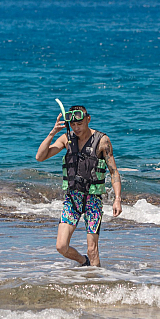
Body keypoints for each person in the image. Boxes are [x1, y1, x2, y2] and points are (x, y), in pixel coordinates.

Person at [36, 105, 122, 267]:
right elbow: (40, 157)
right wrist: (52, 133)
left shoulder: (102, 141)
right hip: (72, 200)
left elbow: (114, 172)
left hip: (93, 200)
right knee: (61, 246)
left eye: (80, 124)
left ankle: (96, 285)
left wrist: (117, 199)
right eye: (73, 125)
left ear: (88, 119)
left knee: (92, 249)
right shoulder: (66, 139)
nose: (76, 128)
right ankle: (83, 262)